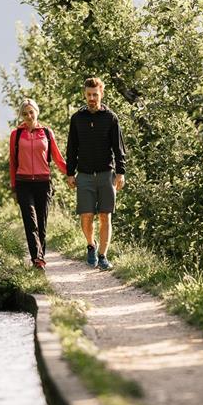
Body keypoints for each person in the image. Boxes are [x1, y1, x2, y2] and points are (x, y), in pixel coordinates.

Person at [65, 77, 126, 270]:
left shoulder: (110, 118)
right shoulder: (77, 118)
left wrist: (120, 172)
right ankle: (91, 245)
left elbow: (118, 148)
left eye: (95, 94)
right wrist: (69, 173)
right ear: (85, 94)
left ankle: (103, 255)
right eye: (89, 95)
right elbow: (71, 148)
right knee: (86, 216)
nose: (92, 98)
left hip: (106, 173)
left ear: (101, 94)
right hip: (83, 175)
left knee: (105, 216)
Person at [9, 98, 68, 271]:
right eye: (25, 113)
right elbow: (12, 162)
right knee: (30, 222)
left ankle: (40, 256)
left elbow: (57, 158)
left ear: (37, 112)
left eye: (31, 112)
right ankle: (37, 259)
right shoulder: (16, 135)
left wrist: (71, 174)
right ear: (22, 115)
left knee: (41, 223)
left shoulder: (47, 133)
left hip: (43, 183)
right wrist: (13, 187)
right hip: (23, 183)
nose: (28, 116)